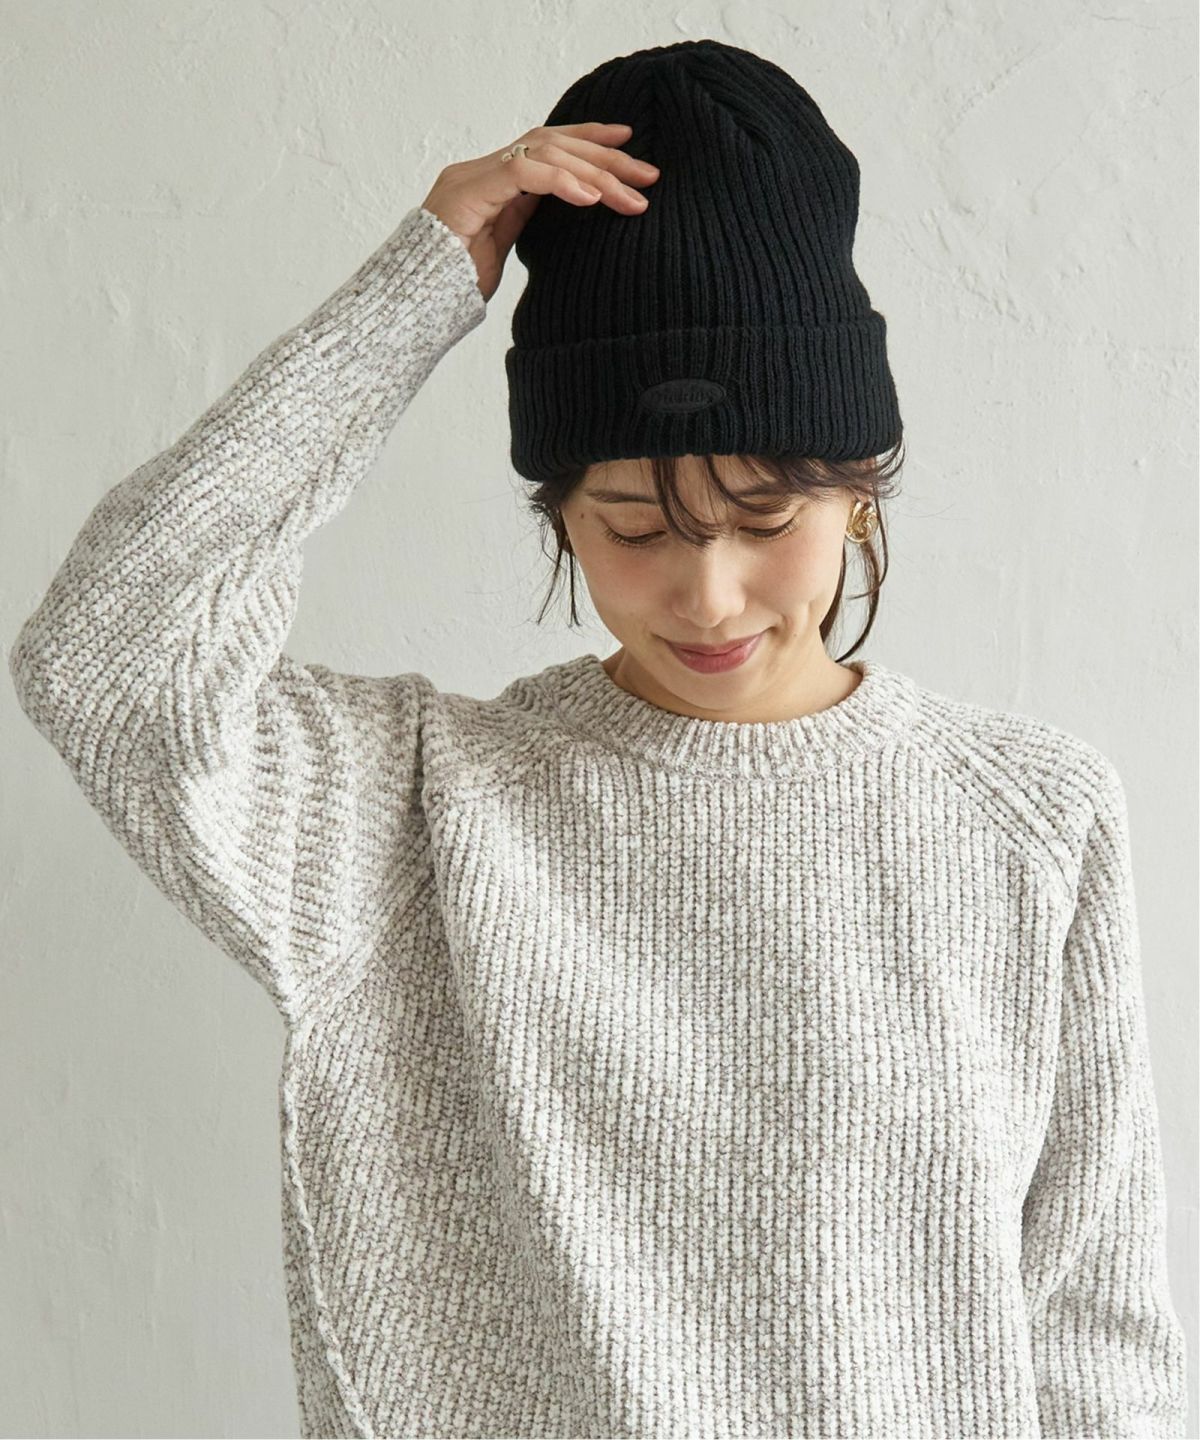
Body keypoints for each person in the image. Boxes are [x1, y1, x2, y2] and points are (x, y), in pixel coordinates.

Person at [9, 38, 1188, 1440]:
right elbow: (108, 656)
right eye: (633, 527)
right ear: (559, 516)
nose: (709, 594)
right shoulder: (412, 814)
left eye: (766, 517)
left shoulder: (1030, 814)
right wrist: (420, 287)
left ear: (860, 489)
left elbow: (1095, 1330)